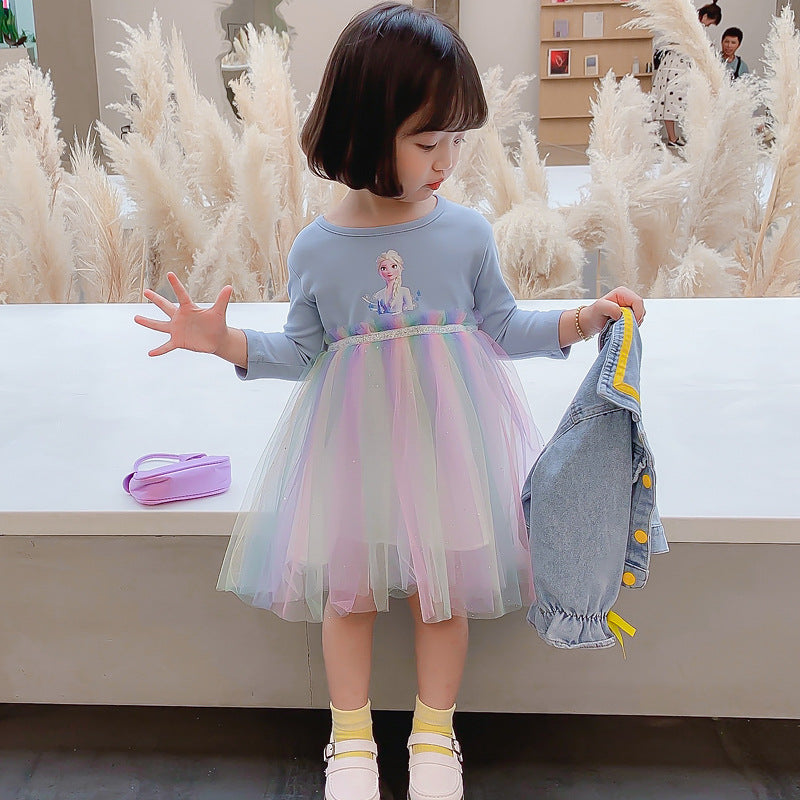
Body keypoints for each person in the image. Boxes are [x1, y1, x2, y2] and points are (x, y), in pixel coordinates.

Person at [134, 4, 645, 799]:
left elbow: (500, 326)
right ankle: (351, 741)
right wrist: (224, 341)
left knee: (444, 598)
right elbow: (303, 352)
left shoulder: (467, 234)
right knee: (351, 594)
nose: (447, 161)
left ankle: (435, 735)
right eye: (427, 141)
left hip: (449, 448)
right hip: (357, 451)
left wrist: (582, 320)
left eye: (455, 140)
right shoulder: (319, 248)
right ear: (366, 131)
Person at [651, 0, 723, 148]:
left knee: (670, 100)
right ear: (706, 16)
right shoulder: (690, 24)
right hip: (676, 65)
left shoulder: (689, 22)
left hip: (675, 64)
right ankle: (672, 137)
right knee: (671, 100)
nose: (708, 26)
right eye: (710, 23)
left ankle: (671, 137)